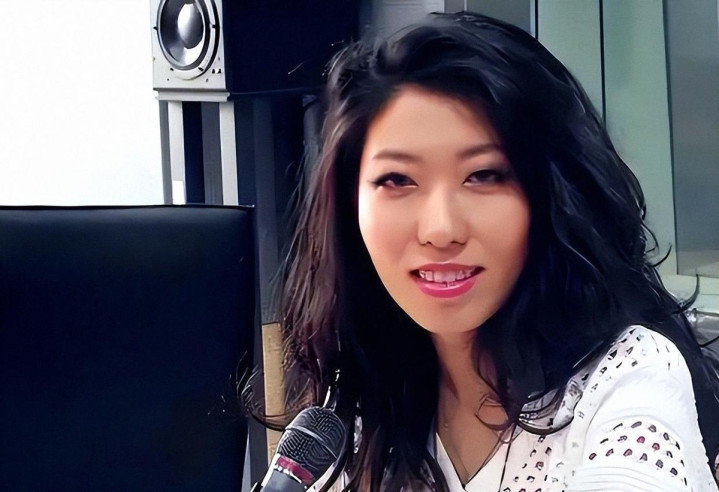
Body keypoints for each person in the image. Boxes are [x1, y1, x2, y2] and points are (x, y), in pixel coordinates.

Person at [259, 12, 719, 491]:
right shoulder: (353, 413)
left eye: (483, 176)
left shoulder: (628, 377)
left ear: (549, 195)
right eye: (397, 180)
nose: (441, 230)